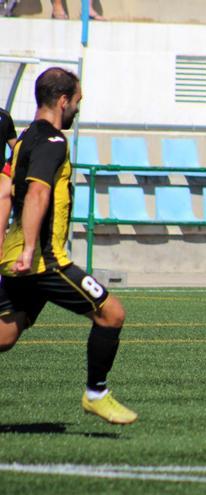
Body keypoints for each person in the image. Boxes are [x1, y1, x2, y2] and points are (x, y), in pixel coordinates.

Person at [0, 67, 136, 424]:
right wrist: (31, 248)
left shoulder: (26, 137)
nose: (77, 109)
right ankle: (97, 393)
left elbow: (5, 192)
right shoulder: (51, 141)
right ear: (63, 101)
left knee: (6, 334)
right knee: (112, 314)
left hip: (16, 258)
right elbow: (39, 192)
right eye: (76, 102)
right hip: (43, 261)